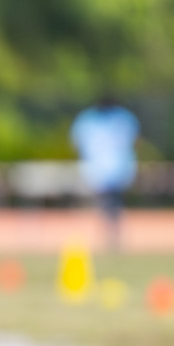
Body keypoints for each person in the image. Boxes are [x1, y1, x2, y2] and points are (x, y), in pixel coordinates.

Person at [70, 96, 139, 251]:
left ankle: (110, 232)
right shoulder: (123, 118)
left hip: (104, 168)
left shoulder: (88, 120)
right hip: (113, 167)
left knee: (107, 201)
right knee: (111, 201)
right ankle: (112, 232)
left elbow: (77, 142)